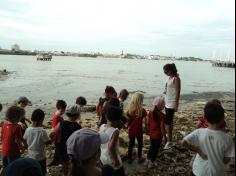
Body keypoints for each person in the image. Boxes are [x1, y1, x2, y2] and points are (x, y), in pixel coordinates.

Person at [181, 101, 235, 176]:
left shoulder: (199, 132)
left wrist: (198, 150)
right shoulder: (228, 138)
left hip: (199, 171)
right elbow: (227, 159)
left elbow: (183, 142)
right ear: (222, 119)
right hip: (217, 172)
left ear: (205, 118)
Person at [49, 104, 82, 176]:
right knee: (73, 161)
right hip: (73, 146)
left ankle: (65, 174)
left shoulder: (61, 123)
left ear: (66, 113)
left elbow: (52, 133)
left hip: (62, 146)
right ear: (77, 115)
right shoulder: (78, 126)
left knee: (65, 162)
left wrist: (51, 139)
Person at [23, 109, 51, 176]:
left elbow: (24, 139)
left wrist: (26, 146)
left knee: (33, 172)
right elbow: (47, 142)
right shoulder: (42, 131)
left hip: (31, 156)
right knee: (41, 171)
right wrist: (52, 137)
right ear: (41, 119)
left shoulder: (28, 129)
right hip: (40, 157)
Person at [99, 106, 126, 176]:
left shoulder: (102, 126)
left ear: (106, 116)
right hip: (111, 158)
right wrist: (115, 160)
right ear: (118, 120)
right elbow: (111, 147)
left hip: (103, 157)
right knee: (120, 173)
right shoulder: (115, 131)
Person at [145, 96, 167, 168]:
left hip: (151, 134)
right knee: (155, 149)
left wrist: (148, 131)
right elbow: (162, 127)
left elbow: (147, 123)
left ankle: (147, 160)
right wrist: (165, 137)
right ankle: (151, 162)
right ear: (162, 106)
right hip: (158, 136)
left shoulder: (150, 113)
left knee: (151, 147)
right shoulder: (162, 115)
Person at [163, 63, 181, 149]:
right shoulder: (169, 78)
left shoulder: (176, 79)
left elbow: (178, 92)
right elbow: (168, 88)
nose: (165, 72)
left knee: (167, 122)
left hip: (172, 103)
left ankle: (169, 141)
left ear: (171, 70)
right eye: (164, 71)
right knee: (170, 122)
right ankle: (169, 138)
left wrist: (176, 104)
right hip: (167, 101)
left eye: (166, 71)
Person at [126, 92, 147, 163]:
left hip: (131, 129)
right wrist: (145, 126)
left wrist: (127, 126)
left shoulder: (129, 110)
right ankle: (139, 157)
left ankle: (129, 158)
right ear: (140, 100)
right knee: (140, 143)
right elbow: (145, 121)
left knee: (131, 143)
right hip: (138, 130)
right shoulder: (142, 110)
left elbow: (128, 121)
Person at [48, 99, 67, 167]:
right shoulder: (56, 117)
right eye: (62, 110)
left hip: (60, 136)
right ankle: (59, 162)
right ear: (57, 108)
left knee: (58, 149)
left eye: (63, 110)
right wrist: (51, 138)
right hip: (58, 137)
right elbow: (53, 129)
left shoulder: (58, 116)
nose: (63, 112)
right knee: (59, 149)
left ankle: (56, 161)